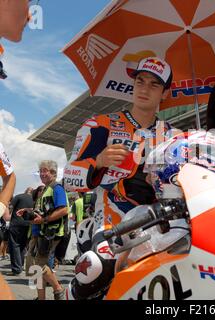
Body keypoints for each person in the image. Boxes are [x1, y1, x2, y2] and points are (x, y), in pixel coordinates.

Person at [63, 56, 177, 300]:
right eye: (140, 81)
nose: (144, 89)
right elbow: (69, 179)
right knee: (97, 267)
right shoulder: (100, 125)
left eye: (154, 85)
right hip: (111, 218)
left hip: (161, 219)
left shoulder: (173, 136)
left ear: (164, 93)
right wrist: (99, 162)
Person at [19, 161, 68, 300]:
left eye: (44, 170)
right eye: (40, 171)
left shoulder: (56, 187)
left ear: (53, 173)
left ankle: (58, 290)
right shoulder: (46, 189)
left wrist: (44, 220)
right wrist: (29, 211)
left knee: (39, 265)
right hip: (42, 232)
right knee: (37, 266)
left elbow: (64, 209)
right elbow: (43, 211)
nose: (42, 173)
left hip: (51, 232)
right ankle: (41, 298)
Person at [8, 187, 34, 275]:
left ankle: (16, 269)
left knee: (14, 245)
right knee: (22, 246)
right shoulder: (34, 199)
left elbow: (10, 208)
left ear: (25, 191)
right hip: (27, 224)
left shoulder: (19, 196)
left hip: (16, 223)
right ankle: (21, 266)